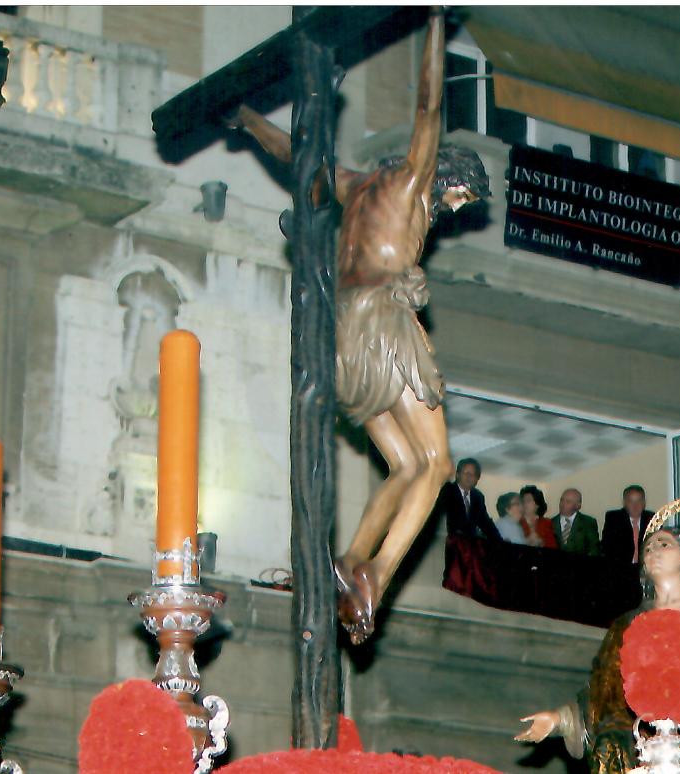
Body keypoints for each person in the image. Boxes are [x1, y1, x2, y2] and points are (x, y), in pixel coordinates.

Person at [230, 8, 492, 644]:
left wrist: (243, 120)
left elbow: (296, 156)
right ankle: (378, 573)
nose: (454, 213)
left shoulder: (356, 185)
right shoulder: (412, 181)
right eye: (460, 201)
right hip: (382, 318)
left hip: (338, 333)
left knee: (400, 464)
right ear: (449, 179)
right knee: (435, 465)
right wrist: (436, 25)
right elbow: (430, 107)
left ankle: (347, 562)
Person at [515, 527, 680, 773]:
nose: (654, 550)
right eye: (648, 548)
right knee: (610, 742)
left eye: (664, 544)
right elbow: (605, 691)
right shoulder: (627, 626)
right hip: (636, 745)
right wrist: (560, 719)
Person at [431, 458, 504, 541]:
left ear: (477, 479)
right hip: (446, 540)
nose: (469, 477)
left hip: (468, 545)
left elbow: (486, 523)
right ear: (457, 474)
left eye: (473, 474)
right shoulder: (447, 490)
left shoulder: (478, 497)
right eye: (466, 473)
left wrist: (500, 542)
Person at [601, 484, 654, 564]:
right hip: (620, 568)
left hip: (645, 568)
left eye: (639, 501)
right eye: (631, 501)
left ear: (644, 503)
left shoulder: (652, 519)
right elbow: (607, 547)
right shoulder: (614, 518)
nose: (635, 506)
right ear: (624, 503)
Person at [552, 488, 600, 556]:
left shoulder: (588, 522)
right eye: (561, 500)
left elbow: (594, 548)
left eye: (568, 502)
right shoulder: (551, 523)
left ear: (578, 505)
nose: (562, 504)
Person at [519, 485, 557, 549]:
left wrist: (541, 543)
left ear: (537, 504)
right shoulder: (516, 523)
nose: (524, 504)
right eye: (523, 501)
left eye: (528, 500)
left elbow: (553, 546)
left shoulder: (547, 523)